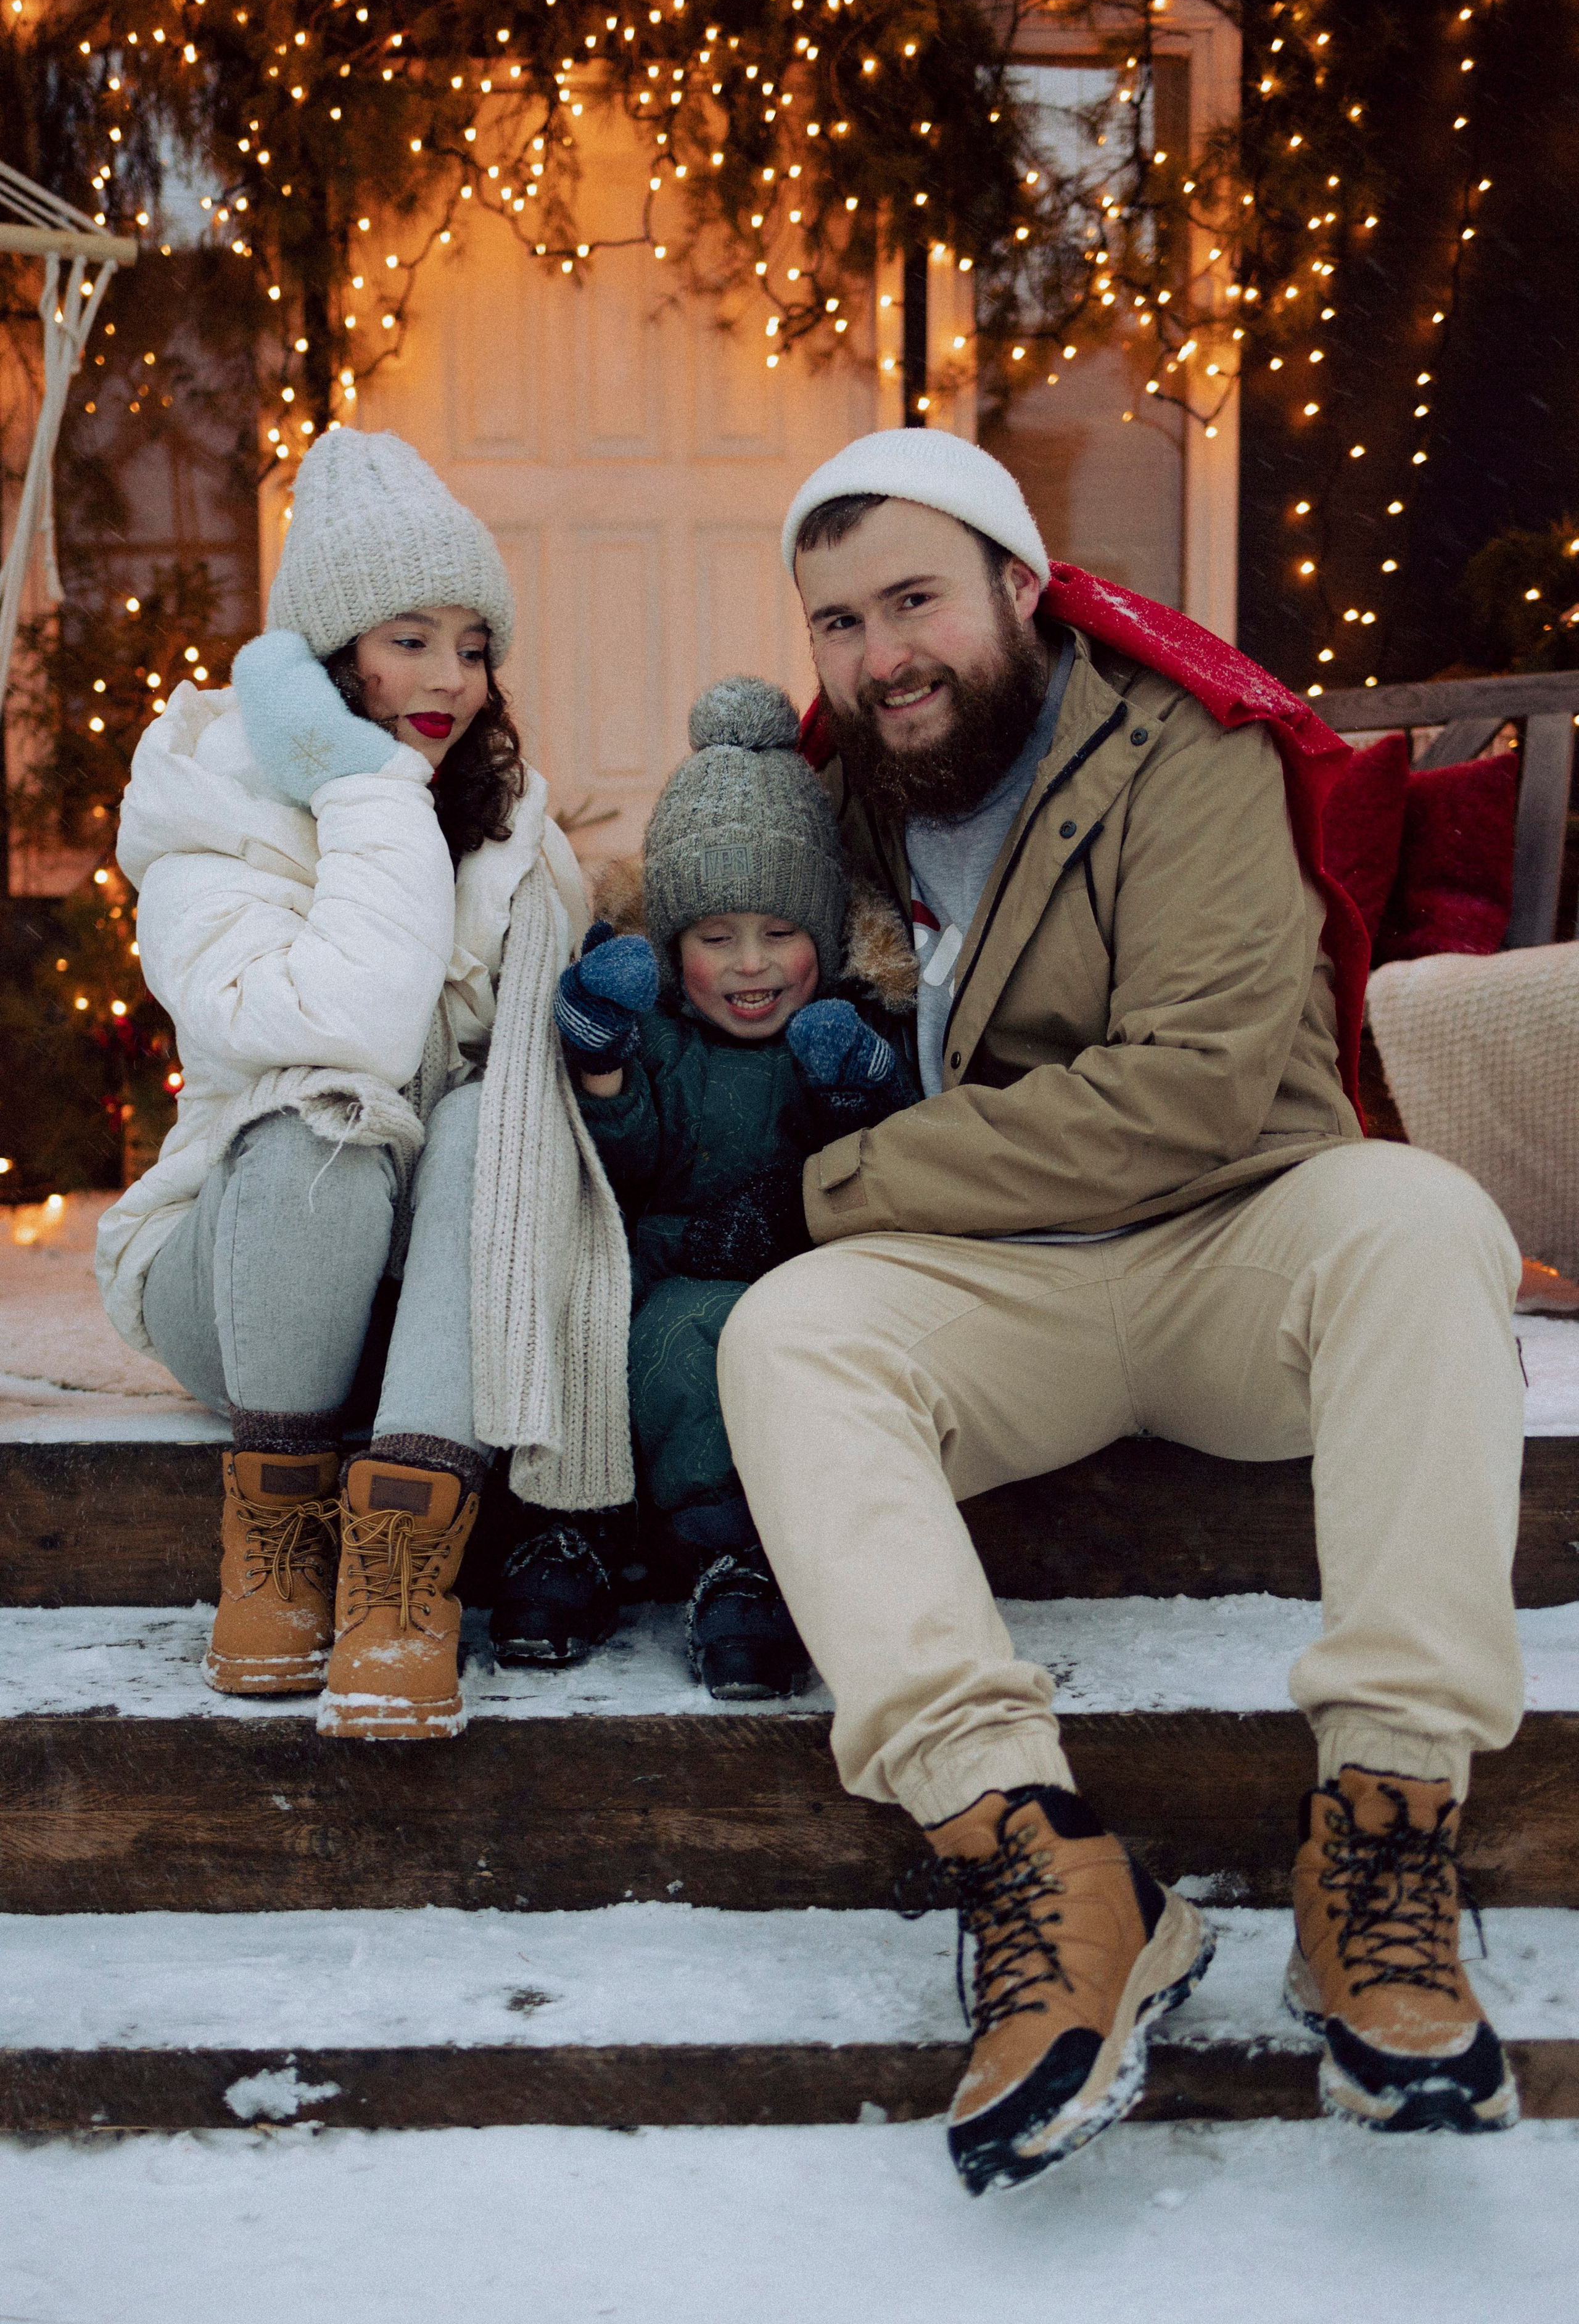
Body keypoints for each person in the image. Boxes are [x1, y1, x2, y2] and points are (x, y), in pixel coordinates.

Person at [713, 428, 1525, 2194]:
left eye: (917, 598)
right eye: (839, 621)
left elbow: (1196, 1093)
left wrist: (842, 1188)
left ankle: (1384, 1836)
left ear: (1022, 585)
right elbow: (693, 918)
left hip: (1235, 1244)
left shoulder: (1188, 749)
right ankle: (1037, 1865)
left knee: (1422, 1223)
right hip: (1017, 1297)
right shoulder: (836, 789)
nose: (884, 654)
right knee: (787, 1336)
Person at [97, 428, 630, 1743]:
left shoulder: (505, 816)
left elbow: (532, 1100)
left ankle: (400, 1589)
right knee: (325, 1121)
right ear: (324, 660)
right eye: (409, 638)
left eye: (472, 643)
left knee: (480, 1120)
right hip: (244, 1277)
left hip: (431, 1321)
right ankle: (273, 1562)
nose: (451, 677)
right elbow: (350, 1027)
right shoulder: (212, 815)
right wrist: (369, 788)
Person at [542, 676, 917, 1698]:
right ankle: (633, 1542)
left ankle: (755, 1555)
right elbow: (616, 1171)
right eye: (715, 938)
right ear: (672, 946)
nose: (751, 966)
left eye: (778, 933)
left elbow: (899, 1153)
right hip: (666, 1267)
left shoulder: (842, 1025)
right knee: (624, 1325)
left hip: (794, 1273)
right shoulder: (662, 1037)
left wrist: (860, 1088)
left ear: (827, 937)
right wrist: (604, 1067)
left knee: (728, 1342)